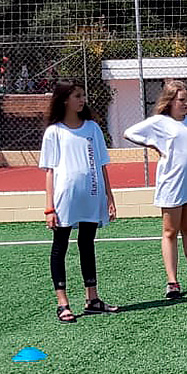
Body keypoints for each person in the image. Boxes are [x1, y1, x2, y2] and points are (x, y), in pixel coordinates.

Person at [123, 80, 187, 300]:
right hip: (172, 184)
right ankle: (172, 282)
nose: (185, 104)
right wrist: (155, 145)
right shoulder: (160, 121)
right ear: (170, 101)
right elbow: (129, 133)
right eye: (181, 100)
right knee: (170, 232)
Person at [39, 80, 120, 323]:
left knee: (87, 244)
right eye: (77, 95)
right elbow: (50, 171)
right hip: (65, 199)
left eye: (83, 95)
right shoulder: (54, 132)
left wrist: (109, 197)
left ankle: (92, 299)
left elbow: (102, 165)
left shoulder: (92, 128)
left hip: (91, 195)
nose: (82, 99)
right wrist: (49, 207)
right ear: (65, 100)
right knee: (60, 246)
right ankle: (62, 303)